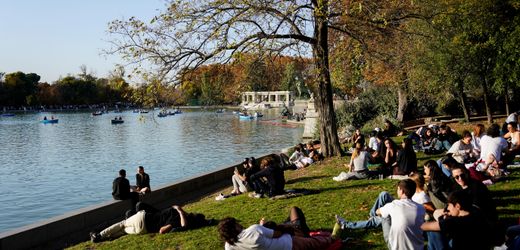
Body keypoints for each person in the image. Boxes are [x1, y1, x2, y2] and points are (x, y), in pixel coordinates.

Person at [336, 179, 425, 250]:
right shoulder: (421, 208)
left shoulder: (394, 205)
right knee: (384, 197)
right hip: (418, 247)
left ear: (402, 191)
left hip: (395, 246)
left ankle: (347, 224)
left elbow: (378, 211)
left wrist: (384, 212)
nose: (397, 191)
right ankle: (367, 219)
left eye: (398, 189)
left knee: (383, 217)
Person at [218, 207, 333, 250]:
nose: (239, 224)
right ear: (234, 227)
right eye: (236, 224)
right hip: (291, 243)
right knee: (320, 242)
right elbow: (277, 234)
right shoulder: (253, 230)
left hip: (288, 242)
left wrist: (262, 228)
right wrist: (263, 227)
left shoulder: (229, 246)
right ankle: (331, 237)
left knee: (290, 220)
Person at [90, 203, 213, 242]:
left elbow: (162, 231)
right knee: (123, 231)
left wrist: (179, 211)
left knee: (122, 223)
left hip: (144, 219)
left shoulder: (176, 219)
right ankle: (101, 238)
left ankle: (99, 235)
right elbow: (184, 224)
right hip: (142, 229)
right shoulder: (177, 219)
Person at [420, 190, 492, 250]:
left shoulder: (454, 222)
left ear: (458, 206)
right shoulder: (476, 212)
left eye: (449, 205)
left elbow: (423, 226)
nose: (448, 208)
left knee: (433, 232)